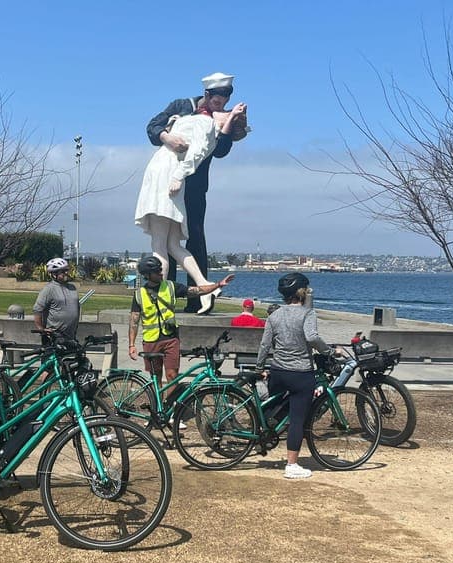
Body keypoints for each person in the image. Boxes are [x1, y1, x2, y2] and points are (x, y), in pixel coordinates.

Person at [146, 72, 249, 313]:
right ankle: (168, 296)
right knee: (167, 241)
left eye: (225, 100)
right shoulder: (181, 106)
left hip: (194, 186)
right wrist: (167, 138)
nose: (221, 105)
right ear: (207, 94)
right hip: (169, 181)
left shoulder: (222, 117)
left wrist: (230, 123)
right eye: (217, 100)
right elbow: (152, 127)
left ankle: (199, 297)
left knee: (195, 238)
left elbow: (220, 151)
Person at [254, 272, 345, 479]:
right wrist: (331, 351)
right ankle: (292, 465)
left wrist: (260, 367)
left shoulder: (274, 315)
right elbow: (312, 337)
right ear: (302, 292)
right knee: (297, 419)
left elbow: (265, 344)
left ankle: (264, 432)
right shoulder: (307, 313)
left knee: (275, 406)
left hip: (278, 371)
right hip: (301, 373)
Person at [129, 256, 233, 386]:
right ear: (147, 275)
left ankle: (171, 400)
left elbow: (196, 291)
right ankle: (157, 399)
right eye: (157, 271)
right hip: (151, 341)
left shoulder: (170, 286)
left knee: (172, 376)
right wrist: (131, 345)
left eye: (161, 269)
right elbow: (134, 321)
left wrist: (218, 285)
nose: (161, 273)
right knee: (155, 378)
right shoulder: (139, 294)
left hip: (170, 338)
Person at [33, 257, 79, 340]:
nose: (66, 273)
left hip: (70, 335)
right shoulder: (49, 289)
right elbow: (37, 310)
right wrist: (41, 328)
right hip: (54, 336)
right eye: (63, 271)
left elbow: (77, 308)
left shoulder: (72, 288)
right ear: (54, 274)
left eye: (67, 270)